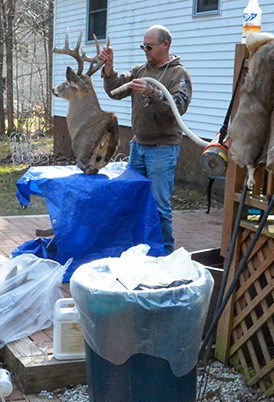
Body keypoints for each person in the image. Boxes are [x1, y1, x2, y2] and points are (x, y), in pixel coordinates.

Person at [98, 25, 192, 253]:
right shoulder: (140, 70)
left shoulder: (177, 74)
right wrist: (109, 70)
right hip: (139, 147)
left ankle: (166, 253)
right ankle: (137, 248)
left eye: (149, 46)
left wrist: (153, 93)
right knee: (134, 199)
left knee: (159, 205)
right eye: (143, 46)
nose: (145, 50)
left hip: (162, 149)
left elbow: (179, 107)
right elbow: (115, 91)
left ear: (165, 45)